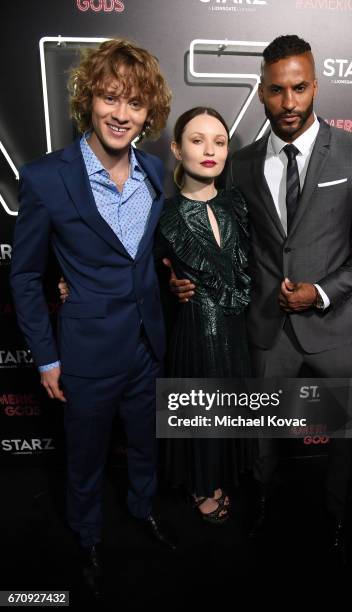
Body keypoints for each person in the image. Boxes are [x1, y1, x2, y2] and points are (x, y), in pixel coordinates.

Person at [173, 35, 352, 556]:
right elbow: (221, 237)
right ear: (263, 91)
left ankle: (337, 518)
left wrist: (322, 292)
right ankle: (262, 510)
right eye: (276, 91)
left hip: (335, 327)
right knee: (261, 439)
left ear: (315, 85)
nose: (289, 102)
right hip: (267, 328)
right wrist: (179, 272)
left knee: (346, 438)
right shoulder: (244, 161)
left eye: (299, 88)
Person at [10, 38, 174, 598]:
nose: (122, 115)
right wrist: (47, 356)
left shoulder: (155, 172)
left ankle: (143, 509)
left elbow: (146, 257)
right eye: (111, 98)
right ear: (89, 99)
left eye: (135, 104)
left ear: (149, 113)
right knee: (84, 456)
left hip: (147, 345)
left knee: (146, 445)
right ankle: (87, 538)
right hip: (83, 352)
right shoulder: (45, 178)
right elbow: (26, 276)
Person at [157, 107, 252, 523]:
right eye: (197, 141)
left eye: (219, 141)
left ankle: (222, 473)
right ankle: (200, 483)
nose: (210, 150)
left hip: (236, 330)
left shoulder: (239, 204)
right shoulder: (165, 215)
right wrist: (170, 286)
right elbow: (146, 278)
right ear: (177, 150)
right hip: (194, 329)